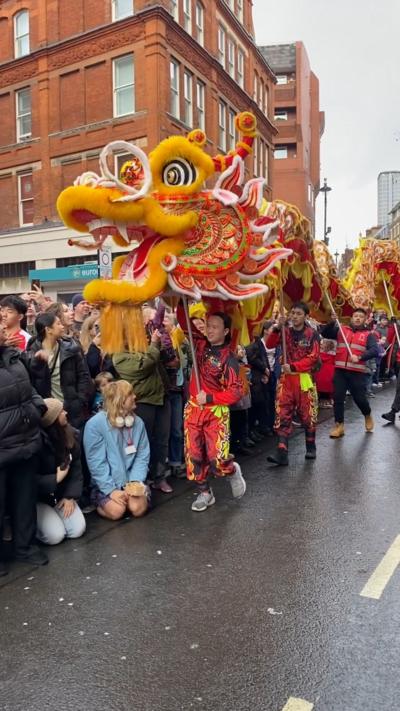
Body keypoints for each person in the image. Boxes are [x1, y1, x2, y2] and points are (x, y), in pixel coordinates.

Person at [179, 308, 246, 512]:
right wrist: (181, 299)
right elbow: (184, 321)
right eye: (208, 325)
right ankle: (205, 492)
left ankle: (232, 471)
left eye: (215, 327)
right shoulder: (199, 344)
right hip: (193, 410)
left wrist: (210, 397)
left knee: (218, 460)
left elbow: (236, 392)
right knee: (194, 455)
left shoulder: (229, 359)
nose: (209, 330)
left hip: (216, 413)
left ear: (226, 331)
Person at [0, 325, 48, 576]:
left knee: (24, 499)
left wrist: (37, 407)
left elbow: (29, 390)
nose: (2, 328)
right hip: (3, 446)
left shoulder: (13, 356)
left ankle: (25, 546)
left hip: (25, 440)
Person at [113, 328, 173, 494]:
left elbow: (164, 360)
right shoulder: (119, 355)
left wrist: (162, 343)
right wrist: (154, 345)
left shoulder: (145, 346)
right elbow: (141, 367)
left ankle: (160, 477)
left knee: (162, 440)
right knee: (141, 443)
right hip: (142, 402)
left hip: (161, 398)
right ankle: (140, 480)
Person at [83, 380, 150, 520]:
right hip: (107, 482)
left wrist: (135, 482)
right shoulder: (95, 425)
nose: (135, 397)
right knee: (118, 511)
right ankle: (98, 501)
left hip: (131, 481)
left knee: (137, 509)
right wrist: (111, 491)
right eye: (130, 394)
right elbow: (96, 462)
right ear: (119, 400)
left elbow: (142, 456)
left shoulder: (138, 423)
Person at [266, 302, 320, 466]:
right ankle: (282, 452)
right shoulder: (284, 332)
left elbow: (314, 357)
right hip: (286, 380)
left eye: (298, 313)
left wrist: (295, 366)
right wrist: (276, 328)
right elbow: (269, 344)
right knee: (282, 413)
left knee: (308, 415)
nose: (295, 316)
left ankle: (310, 446)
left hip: (304, 378)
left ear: (306, 316)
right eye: (293, 313)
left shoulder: (312, 334)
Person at [26, 312, 92, 430]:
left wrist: (80, 400)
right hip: (48, 410)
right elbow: (30, 383)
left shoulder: (71, 349)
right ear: (48, 329)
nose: (62, 327)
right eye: (58, 324)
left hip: (71, 407)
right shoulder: (31, 353)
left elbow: (83, 376)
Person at [321, 308, 378, 437]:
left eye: (361, 317)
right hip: (340, 370)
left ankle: (367, 414)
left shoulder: (369, 335)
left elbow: (375, 350)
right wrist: (331, 322)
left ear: (365, 320)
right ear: (351, 317)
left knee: (359, 399)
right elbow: (324, 333)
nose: (357, 318)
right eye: (355, 316)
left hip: (356, 372)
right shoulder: (342, 330)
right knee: (338, 397)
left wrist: (360, 357)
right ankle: (339, 425)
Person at [36, 399, 86, 545]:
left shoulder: (70, 435)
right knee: (55, 536)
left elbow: (76, 468)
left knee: (77, 530)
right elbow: (30, 480)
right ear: (52, 419)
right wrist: (54, 479)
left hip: (62, 494)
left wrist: (70, 495)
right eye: (61, 411)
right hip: (39, 498)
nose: (66, 413)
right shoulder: (37, 445)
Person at [314, 338, 336, 407]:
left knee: (320, 389)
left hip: (320, 376)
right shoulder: (334, 356)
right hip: (330, 376)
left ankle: (322, 402)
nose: (321, 344)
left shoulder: (319, 355)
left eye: (322, 343)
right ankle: (329, 400)